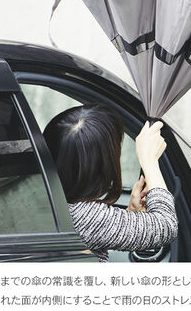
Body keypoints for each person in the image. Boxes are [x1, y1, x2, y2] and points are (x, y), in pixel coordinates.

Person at [43, 103, 178, 262]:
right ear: (103, 164)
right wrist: (149, 161)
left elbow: (95, 233)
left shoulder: (41, 203)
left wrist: (130, 213)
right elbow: (166, 226)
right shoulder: (83, 216)